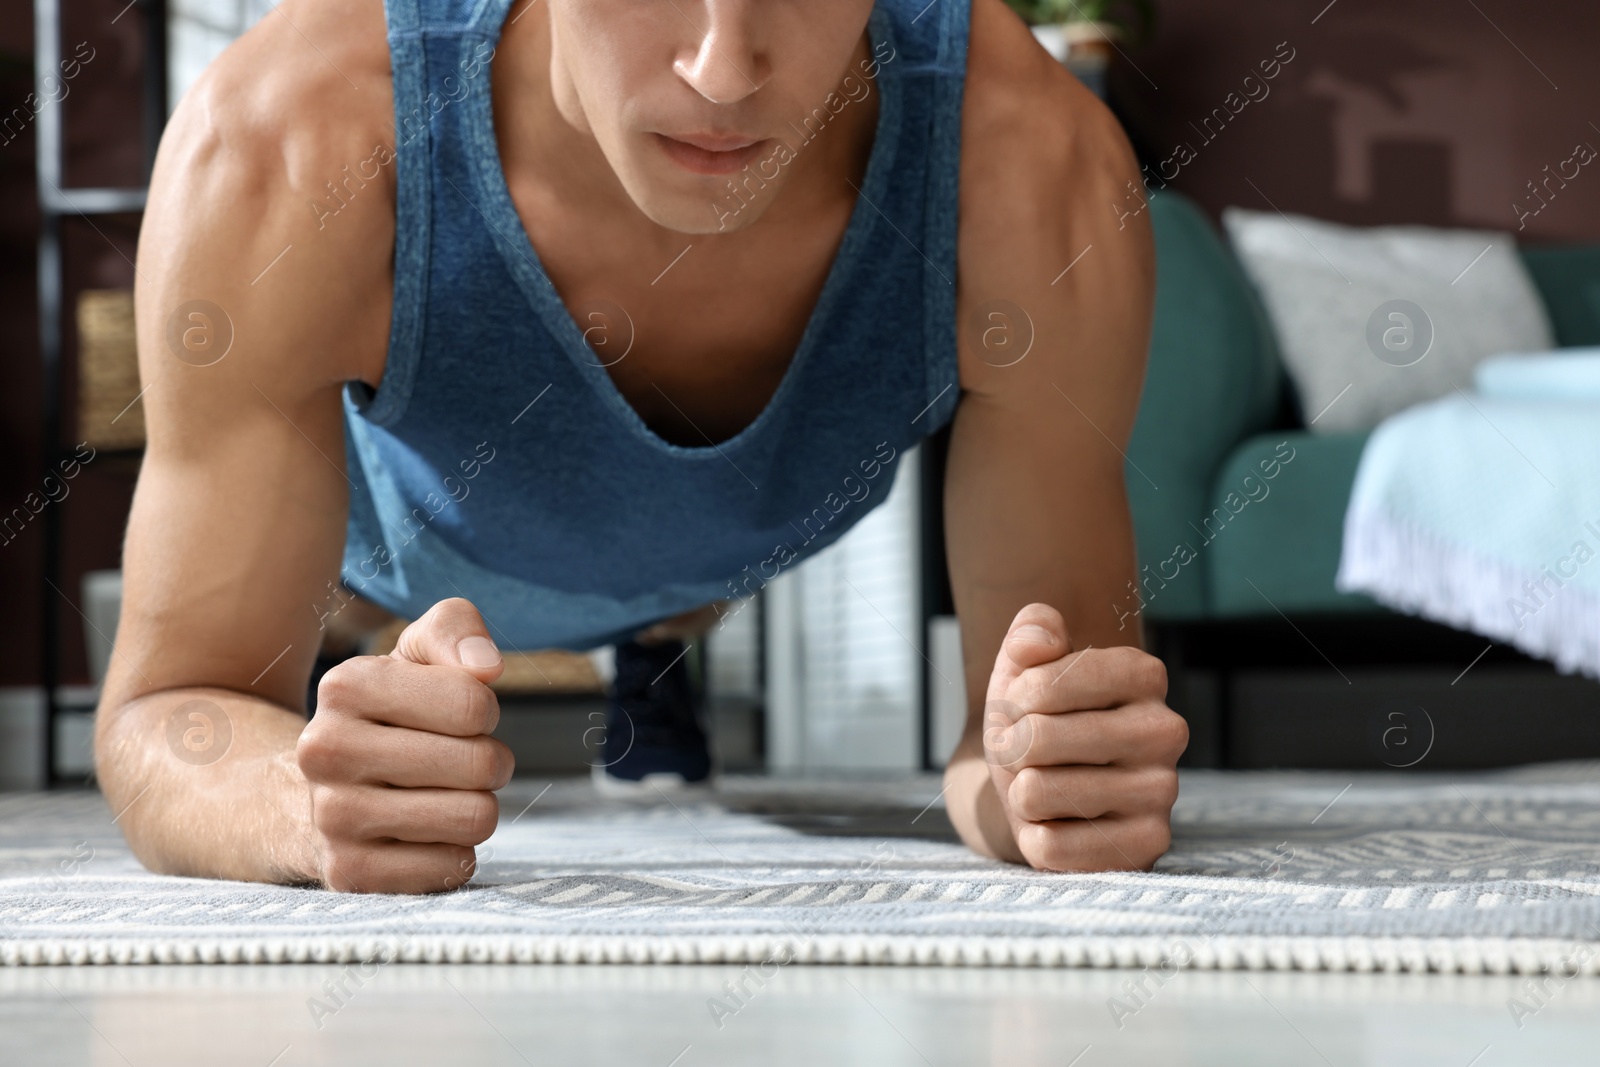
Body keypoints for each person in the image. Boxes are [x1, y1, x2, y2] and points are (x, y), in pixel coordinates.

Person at [97, 0, 1187, 894]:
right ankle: (371, 669)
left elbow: (1014, 759)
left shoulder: (1032, 170)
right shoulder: (290, 135)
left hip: (731, 538)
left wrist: (1045, 788)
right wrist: (301, 790)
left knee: (683, 574)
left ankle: (653, 651)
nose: (722, 70)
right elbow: (167, 708)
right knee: (341, 625)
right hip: (393, 561)